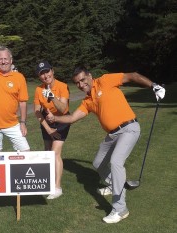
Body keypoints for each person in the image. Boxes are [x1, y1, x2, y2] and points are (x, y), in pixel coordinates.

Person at [45, 66, 165, 223]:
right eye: (77, 83)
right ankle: (114, 184)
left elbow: (132, 75)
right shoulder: (88, 101)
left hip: (129, 128)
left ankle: (120, 209)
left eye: (83, 80)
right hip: (112, 134)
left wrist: (153, 85)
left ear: (90, 76)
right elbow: (73, 117)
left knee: (116, 162)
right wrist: (55, 119)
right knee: (98, 163)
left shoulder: (105, 80)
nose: (81, 84)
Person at [34, 61, 70, 199]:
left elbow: (63, 108)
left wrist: (51, 96)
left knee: (55, 153)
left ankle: (57, 187)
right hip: (46, 122)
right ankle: (48, 183)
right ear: (39, 76)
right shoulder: (38, 90)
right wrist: (48, 129)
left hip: (62, 121)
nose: (45, 75)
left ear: (52, 71)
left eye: (47, 71)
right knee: (47, 152)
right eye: (42, 74)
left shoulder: (62, 86)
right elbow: (37, 111)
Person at [0, 46, 30, 152]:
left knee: (26, 153)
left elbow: (22, 102)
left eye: (5, 59)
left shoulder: (19, 77)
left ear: (11, 60)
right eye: (0, 59)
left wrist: (23, 122)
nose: (3, 62)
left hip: (12, 124)